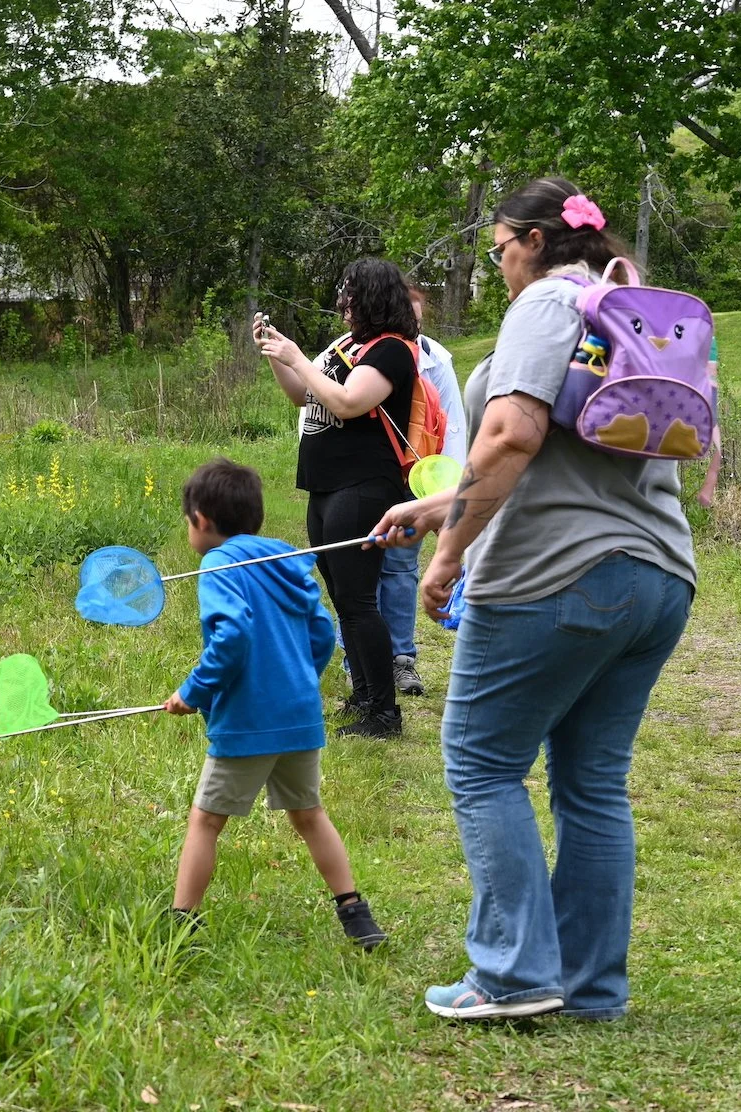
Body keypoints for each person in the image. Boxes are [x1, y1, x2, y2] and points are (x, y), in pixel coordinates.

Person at [370, 178, 696, 1021]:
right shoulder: (625, 307)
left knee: (482, 762)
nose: (501, 265)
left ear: (535, 240)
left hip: (562, 577)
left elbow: (510, 435)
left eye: (500, 248)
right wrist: (436, 506)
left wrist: (447, 559)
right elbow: (562, 463)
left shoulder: (550, 305)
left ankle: (512, 975)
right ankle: (590, 989)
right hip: (657, 576)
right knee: (593, 784)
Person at [159, 458, 386, 947]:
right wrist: (301, 679)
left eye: (187, 520)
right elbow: (323, 630)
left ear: (200, 519)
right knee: (309, 814)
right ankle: (355, 912)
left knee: (206, 820)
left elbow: (232, 636)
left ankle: (182, 922)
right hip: (299, 717)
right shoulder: (284, 559)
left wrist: (192, 692)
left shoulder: (218, 565)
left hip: (248, 722)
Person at [255, 258, 420, 738]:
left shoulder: (391, 351)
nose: (342, 302)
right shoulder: (348, 346)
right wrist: (276, 354)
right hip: (326, 485)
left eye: (349, 292)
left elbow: (349, 401)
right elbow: (304, 396)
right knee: (343, 597)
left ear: (371, 296)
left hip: (365, 483)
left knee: (359, 599)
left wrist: (299, 357)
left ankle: (385, 714)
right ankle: (364, 695)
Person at [364, 285, 473, 696]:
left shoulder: (435, 359)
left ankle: (400, 659)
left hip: (418, 481)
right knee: (360, 569)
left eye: (416, 316)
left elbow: (454, 427)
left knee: (400, 568)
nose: (411, 325)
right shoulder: (354, 353)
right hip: (367, 480)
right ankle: (356, 654)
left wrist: (452, 494)